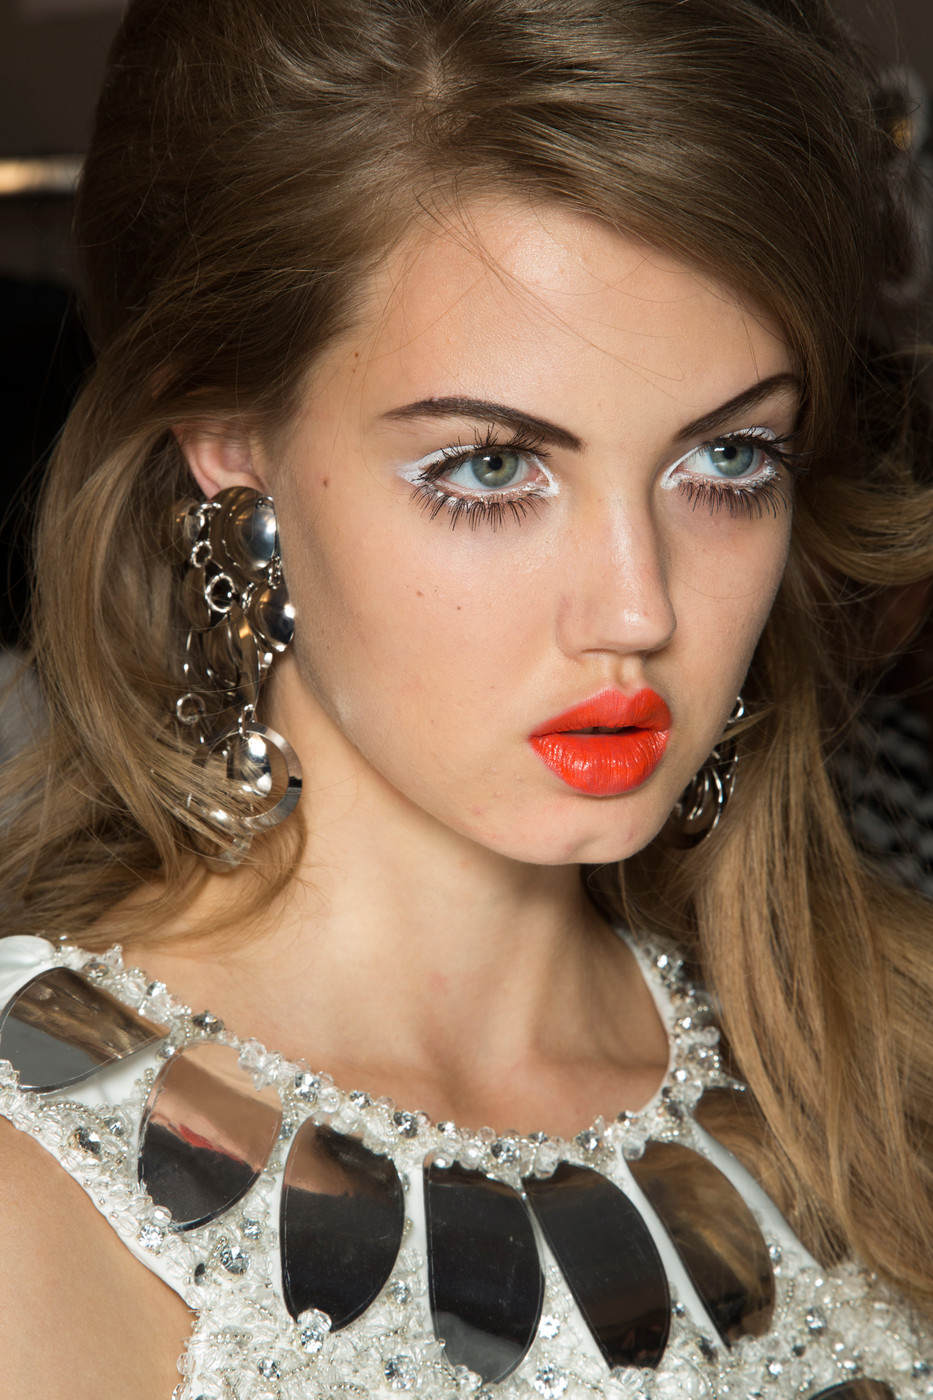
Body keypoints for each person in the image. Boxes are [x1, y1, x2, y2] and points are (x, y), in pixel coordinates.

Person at [0, 0, 931, 1396]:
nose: (638, 609)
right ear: (229, 440)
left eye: (728, 458)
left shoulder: (887, 1065)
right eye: (492, 468)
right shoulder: (34, 1180)